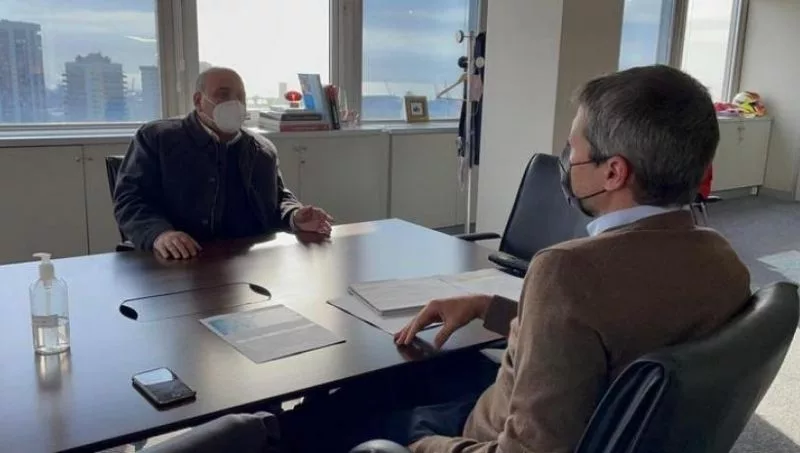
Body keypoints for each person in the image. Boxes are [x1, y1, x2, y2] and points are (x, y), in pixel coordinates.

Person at [281, 65, 752, 453]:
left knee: (343, 414)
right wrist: (489, 307)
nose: (566, 160)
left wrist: (421, 446)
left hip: (484, 431)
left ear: (613, 172)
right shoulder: (724, 261)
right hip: (572, 414)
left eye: (574, 149)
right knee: (400, 378)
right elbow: (603, 334)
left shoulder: (568, 271)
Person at [113, 67, 332, 260]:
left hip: (249, 263)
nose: (234, 103)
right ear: (198, 100)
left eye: (240, 97)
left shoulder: (262, 150)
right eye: (223, 94)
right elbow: (130, 199)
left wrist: (294, 216)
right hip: (177, 262)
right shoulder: (157, 139)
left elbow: (278, 198)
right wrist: (160, 234)